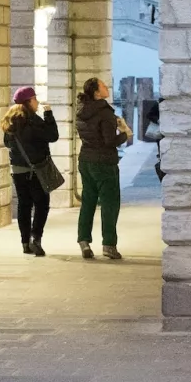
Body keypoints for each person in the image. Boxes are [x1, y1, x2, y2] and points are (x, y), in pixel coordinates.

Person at [75, 77, 130, 260]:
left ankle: (84, 241)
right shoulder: (105, 112)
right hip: (104, 163)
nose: (107, 87)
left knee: (88, 202)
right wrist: (125, 134)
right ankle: (109, 245)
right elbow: (109, 141)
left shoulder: (81, 110)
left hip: (86, 161)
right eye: (103, 86)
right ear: (97, 92)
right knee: (110, 204)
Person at [1, 86, 59, 257]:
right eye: (35, 99)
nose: (37, 102)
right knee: (41, 204)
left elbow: (7, 143)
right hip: (36, 170)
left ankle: (25, 242)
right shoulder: (33, 120)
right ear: (28, 102)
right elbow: (52, 136)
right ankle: (36, 238)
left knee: (24, 205)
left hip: (18, 171)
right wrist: (48, 114)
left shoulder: (9, 121)